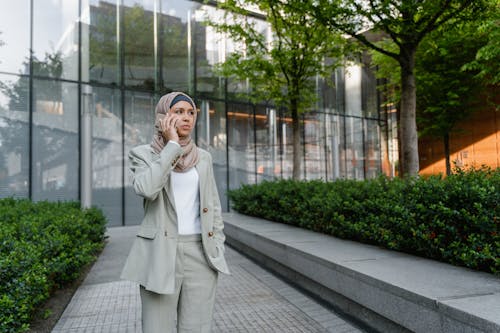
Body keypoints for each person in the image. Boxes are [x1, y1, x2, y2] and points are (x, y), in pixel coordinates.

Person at [121, 92, 230, 333]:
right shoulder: (143, 154)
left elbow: (213, 206)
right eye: (178, 112)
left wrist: (217, 245)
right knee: (157, 328)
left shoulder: (203, 158)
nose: (186, 118)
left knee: (197, 328)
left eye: (191, 112)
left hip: (200, 255)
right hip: (159, 253)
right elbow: (147, 189)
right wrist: (171, 147)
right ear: (162, 117)